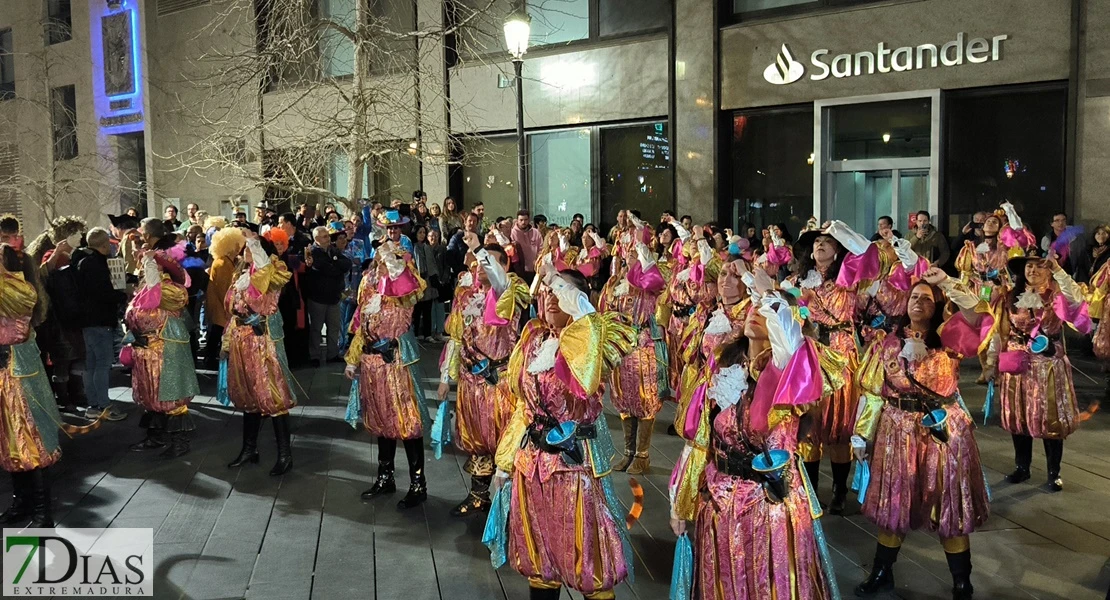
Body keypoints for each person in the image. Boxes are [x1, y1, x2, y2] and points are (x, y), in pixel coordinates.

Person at [669, 290, 839, 600]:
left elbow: (765, 420)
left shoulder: (794, 376)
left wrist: (786, 348)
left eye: (771, 309)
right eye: (756, 305)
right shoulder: (721, 366)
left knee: (768, 585)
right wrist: (680, 501)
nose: (757, 312)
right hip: (718, 502)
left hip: (768, 505)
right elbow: (700, 441)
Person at [488, 269, 636, 600]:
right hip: (532, 466)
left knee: (589, 562)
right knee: (539, 558)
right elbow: (523, 408)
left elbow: (584, 379)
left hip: (575, 469)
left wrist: (573, 299)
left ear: (579, 300)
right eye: (549, 291)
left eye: (562, 292)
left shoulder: (596, 340)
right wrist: (504, 462)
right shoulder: (534, 339)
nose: (552, 297)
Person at [853, 268, 991, 599]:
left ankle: (961, 578)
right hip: (895, 430)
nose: (918, 302)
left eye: (927, 298)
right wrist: (861, 435)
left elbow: (978, 314)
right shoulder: (886, 343)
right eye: (914, 296)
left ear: (938, 305)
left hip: (943, 431)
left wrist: (945, 282)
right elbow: (872, 392)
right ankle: (882, 571)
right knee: (893, 504)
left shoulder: (951, 339)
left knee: (950, 505)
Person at [771, 220, 879, 513]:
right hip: (809, 354)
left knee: (839, 425)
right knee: (809, 423)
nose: (821, 245)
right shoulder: (796, 281)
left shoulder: (847, 279)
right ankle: (810, 489)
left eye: (828, 242)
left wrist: (842, 230)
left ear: (838, 250)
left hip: (841, 352)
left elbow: (869, 255)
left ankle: (840, 490)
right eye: (817, 242)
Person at [438, 236, 529, 516]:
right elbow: (456, 337)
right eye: (478, 262)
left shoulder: (510, 291)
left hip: (499, 382)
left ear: (504, 266)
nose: (481, 266)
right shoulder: (467, 296)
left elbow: (499, 283)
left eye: (488, 262)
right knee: (477, 439)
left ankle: (509, 505)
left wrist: (479, 247)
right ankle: (478, 496)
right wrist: (446, 376)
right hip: (470, 382)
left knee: (504, 441)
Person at [346, 209, 430, 509]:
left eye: (397, 229)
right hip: (372, 362)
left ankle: (418, 482)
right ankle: (385, 476)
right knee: (381, 418)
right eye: (387, 230)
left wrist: (396, 265)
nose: (392, 234)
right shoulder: (369, 280)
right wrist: (353, 359)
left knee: (406, 420)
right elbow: (359, 321)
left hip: (395, 358)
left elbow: (412, 293)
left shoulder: (406, 270)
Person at [993, 248, 1089, 492]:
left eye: (1039, 265)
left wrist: (1058, 269)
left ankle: (1053, 472)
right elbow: (1000, 329)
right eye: (1028, 266)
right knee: (1018, 416)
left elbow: (1077, 299)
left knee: (1049, 417)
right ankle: (1022, 467)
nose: (1032, 270)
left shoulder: (1057, 295)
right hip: (1017, 364)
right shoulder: (1010, 296)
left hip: (1047, 365)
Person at [122, 218, 200, 457]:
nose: (143, 267)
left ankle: (179, 442)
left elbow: (171, 301)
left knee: (171, 395)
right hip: (147, 350)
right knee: (151, 394)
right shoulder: (146, 288)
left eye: (147, 264)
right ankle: (156, 437)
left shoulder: (170, 290)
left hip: (167, 350)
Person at [220, 233, 297, 476]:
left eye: (251, 248)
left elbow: (264, 284)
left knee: (272, 394)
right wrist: (226, 341)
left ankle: (285, 455)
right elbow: (233, 312)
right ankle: (249, 449)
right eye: (245, 248)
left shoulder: (273, 272)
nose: (246, 251)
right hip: (242, 341)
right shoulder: (240, 276)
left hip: (263, 342)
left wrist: (256, 245)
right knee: (248, 396)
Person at [0, 237, 63, 528]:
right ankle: (22, 504)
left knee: (31, 442)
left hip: (20, 377)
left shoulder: (18, 290)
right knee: (10, 441)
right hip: (7, 375)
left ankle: (42, 513)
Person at [599, 220, 669, 475]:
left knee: (644, 399)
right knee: (622, 399)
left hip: (644, 347)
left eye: (634, 250)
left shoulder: (651, 278)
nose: (629, 255)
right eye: (627, 250)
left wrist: (644, 253)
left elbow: (655, 283)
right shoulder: (616, 282)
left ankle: (643, 454)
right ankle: (628, 452)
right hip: (621, 349)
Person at [73, 227, 129, 421]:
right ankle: (104, 406)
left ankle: (93, 405)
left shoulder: (80, 261)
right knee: (103, 364)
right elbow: (103, 294)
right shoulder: (97, 264)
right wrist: (123, 295)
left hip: (85, 321)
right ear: (104, 245)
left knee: (91, 365)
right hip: (100, 320)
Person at [303, 225, 352, 367]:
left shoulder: (333, 250)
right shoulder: (312, 252)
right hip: (318, 297)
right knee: (316, 328)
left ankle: (333, 354)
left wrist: (335, 262)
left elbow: (346, 264)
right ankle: (315, 355)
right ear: (317, 238)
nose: (328, 238)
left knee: (334, 328)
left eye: (328, 236)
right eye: (325, 236)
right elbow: (322, 268)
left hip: (334, 296)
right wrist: (336, 266)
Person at [205, 227, 245, 370]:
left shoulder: (227, 261)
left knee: (216, 331)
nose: (239, 247)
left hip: (220, 305)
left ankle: (211, 357)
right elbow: (223, 288)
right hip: (220, 305)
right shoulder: (222, 263)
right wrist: (231, 304)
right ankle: (210, 358)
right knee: (217, 331)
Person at [411, 226, 441, 342]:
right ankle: (416, 333)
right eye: (420, 232)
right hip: (416, 280)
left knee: (427, 307)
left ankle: (427, 334)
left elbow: (431, 264)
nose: (422, 235)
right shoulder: (413, 247)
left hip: (427, 280)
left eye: (424, 232)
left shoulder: (426, 247)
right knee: (417, 309)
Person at [511, 210, 542, 284]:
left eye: (525, 220)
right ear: (517, 220)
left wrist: (538, 262)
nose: (523, 222)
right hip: (519, 271)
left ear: (529, 220)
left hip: (534, 269)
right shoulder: (512, 233)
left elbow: (541, 248)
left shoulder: (536, 232)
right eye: (521, 220)